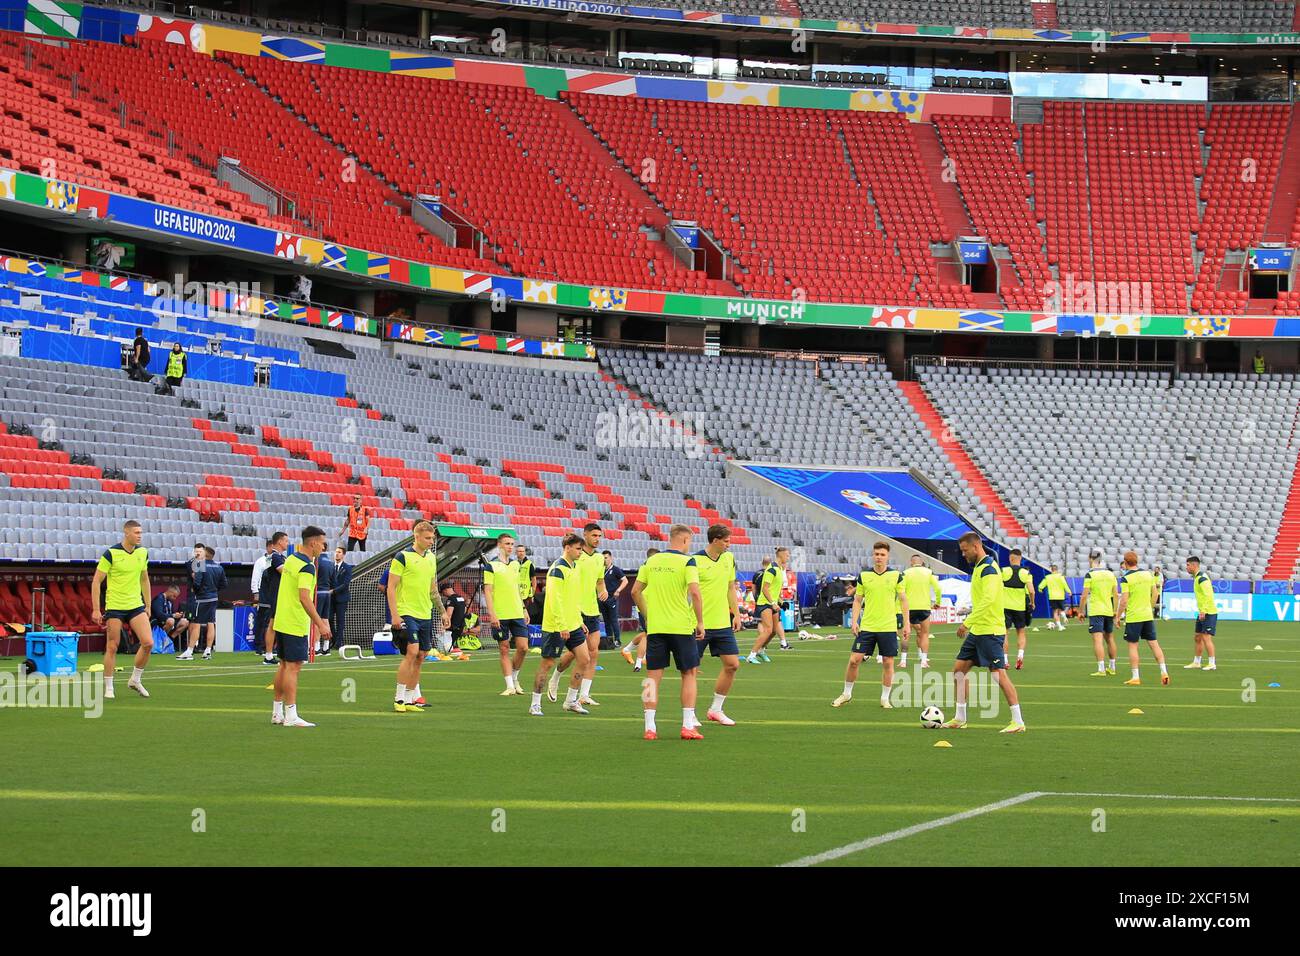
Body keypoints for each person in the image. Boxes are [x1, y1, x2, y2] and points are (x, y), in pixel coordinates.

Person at [943, 532, 1025, 733]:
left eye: (965, 550)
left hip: (989, 631)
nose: (963, 555)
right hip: (979, 631)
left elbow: (988, 600)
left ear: (976, 546)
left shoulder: (989, 568)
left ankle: (1018, 721)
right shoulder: (980, 567)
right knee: (959, 672)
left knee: (998, 675)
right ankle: (960, 718)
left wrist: (967, 622)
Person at [632, 524, 705, 741]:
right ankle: (687, 725)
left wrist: (648, 616)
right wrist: (700, 621)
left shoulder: (651, 561)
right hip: (681, 627)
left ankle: (649, 727)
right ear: (684, 540)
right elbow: (695, 592)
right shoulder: (688, 561)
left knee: (652, 678)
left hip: (656, 628)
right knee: (689, 674)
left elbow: (636, 591)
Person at [834, 541, 908, 709]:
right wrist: (854, 621)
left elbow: (903, 600)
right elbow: (858, 599)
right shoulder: (864, 576)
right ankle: (846, 694)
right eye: (876, 554)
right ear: (872, 555)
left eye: (882, 554)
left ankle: (884, 698)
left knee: (888, 663)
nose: (879, 557)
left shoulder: (897, 575)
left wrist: (907, 624)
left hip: (888, 627)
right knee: (854, 660)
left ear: (888, 556)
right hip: (867, 626)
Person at [271, 526, 331, 727]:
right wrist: (320, 623)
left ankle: (277, 712)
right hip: (295, 621)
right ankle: (291, 714)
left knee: (284, 665)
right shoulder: (307, 566)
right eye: (322, 543)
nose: (324, 547)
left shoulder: (291, 559)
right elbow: (305, 597)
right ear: (313, 543)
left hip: (283, 618)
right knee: (293, 667)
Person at [90, 519, 153, 699]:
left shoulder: (143, 552)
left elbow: (144, 579)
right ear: (126, 533)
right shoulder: (111, 553)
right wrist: (96, 609)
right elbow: (96, 581)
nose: (140, 535)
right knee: (112, 646)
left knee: (148, 643)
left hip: (135, 605)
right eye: (136, 532)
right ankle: (109, 687)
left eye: (141, 532)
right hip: (115, 606)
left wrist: (147, 605)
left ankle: (135, 679)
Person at [386, 520, 443, 713]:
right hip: (407, 612)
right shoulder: (402, 557)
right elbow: (391, 587)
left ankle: (410, 699)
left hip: (425, 612)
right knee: (411, 652)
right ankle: (399, 698)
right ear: (416, 536)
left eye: (432, 538)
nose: (430, 541)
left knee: (421, 656)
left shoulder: (431, 558)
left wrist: (442, 611)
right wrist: (395, 615)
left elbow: (432, 588)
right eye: (427, 538)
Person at [530, 533, 590, 717]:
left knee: (585, 659)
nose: (581, 552)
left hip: (572, 624)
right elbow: (554, 600)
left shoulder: (575, 567)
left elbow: (573, 597)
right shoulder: (557, 569)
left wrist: (579, 621)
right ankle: (535, 704)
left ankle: (571, 701)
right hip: (556, 626)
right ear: (567, 548)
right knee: (547, 663)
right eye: (578, 549)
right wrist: (562, 625)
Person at [548, 523, 607, 706]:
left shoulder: (599, 558)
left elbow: (599, 580)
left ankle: (583, 694)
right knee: (575, 654)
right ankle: (556, 676)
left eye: (599, 536)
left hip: (592, 609)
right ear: (586, 535)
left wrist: (602, 590)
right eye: (594, 535)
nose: (597, 539)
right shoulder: (576, 556)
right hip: (576, 609)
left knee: (593, 652)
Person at [694, 524, 742, 726]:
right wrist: (696, 620)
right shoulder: (695, 560)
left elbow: (731, 587)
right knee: (691, 671)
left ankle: (715, 709)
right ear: (715, 540)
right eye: (726, 541)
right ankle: (690, 714)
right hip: (698, 624)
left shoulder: (728, 559)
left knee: (732, 664)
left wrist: (736, 613)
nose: (729, 545)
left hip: (722, 622)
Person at [483, 533, 529, 696]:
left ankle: (515, 678)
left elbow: (516, 588)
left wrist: (524, 608)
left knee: (523, 648)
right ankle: (509, 685)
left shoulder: (516, 565)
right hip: (500, 613)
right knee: (504, 648)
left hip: (516, 611)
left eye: (512, 544)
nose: (510, 546)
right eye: (507, 543)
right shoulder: (491, 566)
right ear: (499, 545)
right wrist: (492, 614)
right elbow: (487, 591)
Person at [1117, 550, 1170, 687]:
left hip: (1134, 616)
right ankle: (1164, 672)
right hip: (1147, 615)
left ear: (1125, 562)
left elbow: (1124, 600)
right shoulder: (1148, 574)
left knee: (1133, 646)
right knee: (1154, 643)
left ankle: (1135, 676)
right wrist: (1150, 607)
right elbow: (1155, 593)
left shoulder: (1126, 578)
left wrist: (1117, 616)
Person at [179, 545, 226, 661]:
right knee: (211, 623)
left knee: (196, 623)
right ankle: (208, 650)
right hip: (213, 598)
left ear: (206, 554)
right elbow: (224, 584)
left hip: (201, 598)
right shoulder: (219, 567)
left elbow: (196, 582)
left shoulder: (200, 565)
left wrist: (196, 591)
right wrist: (214, 590)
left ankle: (189, 651)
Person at [746, 547, 789, 663]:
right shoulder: (772, 569)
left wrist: (781, 602)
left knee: (774, 631)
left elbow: (774, 590)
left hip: (772, 603)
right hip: (765, 603)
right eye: (787, 555)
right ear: (780, 555)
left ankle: (761, 650)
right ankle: (751, 655)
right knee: (768, 630)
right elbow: (765, 589)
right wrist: (773, 603)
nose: (788, 557)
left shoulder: (779, 569)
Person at [251, 532, 287, 664]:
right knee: (272, 625)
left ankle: (271, 654)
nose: (287, 544)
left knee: (274, 625)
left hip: (278, 595)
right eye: (286, 541)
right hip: (275, 596)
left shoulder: (280, 557)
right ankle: (269, 654)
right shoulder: (276, 557)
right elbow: (286, 573)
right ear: (280, 542)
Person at [1081, 551, 1119, 677]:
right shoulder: (1110, 574)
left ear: (1090, 559)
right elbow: (1115, 594)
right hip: (1108, 609)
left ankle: (1101, 668)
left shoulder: (1090, 574)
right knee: (1110, 638)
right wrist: (1115, 611)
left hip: (1097, 610)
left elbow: (1084, 595)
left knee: (1097, 639)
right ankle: (1112, 667)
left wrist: (1081, 611)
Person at [621, 547, 658, 671]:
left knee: (648, 633)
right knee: (648, 635)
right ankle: (639, 661)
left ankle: (627, 650)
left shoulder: (648, 568)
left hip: (650, 605)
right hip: (645, 606)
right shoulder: (647, 569)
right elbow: (636, 591)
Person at [900, 554, 940, 669]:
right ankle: (923, 661)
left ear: (911, 562)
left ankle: (903, 661)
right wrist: (938, 602)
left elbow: (900, 590)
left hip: (909, 607)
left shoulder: (906, 573)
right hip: (924, 607)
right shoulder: (928, 572)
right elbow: (938, 588)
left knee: (906, 634)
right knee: (924, 634)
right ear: (922, 563)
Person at [1183, 556, 1219, 671]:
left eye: (1188, 565)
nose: (1186, 567)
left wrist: (1203, 610)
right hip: (1202, 612)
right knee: (1197, 637)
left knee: (1206, 637)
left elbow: (1208, 594)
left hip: (1208, 612)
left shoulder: (1202, 578)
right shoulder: (1197, 577)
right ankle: (1197, 662)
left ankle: (1212, 663)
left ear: (1194, 565)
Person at [1000, 548, 1032, 670]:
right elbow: (1032, 591)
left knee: (1005, 633)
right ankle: (1020, 657)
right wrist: (1032, 603)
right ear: (1020, 559)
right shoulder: (1026, 573)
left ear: (1010, 558)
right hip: (1020, 607)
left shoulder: (1003, 571)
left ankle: (1005, 660)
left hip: (1005, 606)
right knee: (1021, 632)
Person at [601, 550, 626, 648]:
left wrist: (618, 590)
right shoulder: (601, 570)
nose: (604, 560)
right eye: (603, 558)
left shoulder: (615, 569)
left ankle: (618, 640)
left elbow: (625, 581)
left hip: (612, 599)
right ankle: (609, 640)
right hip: (603, 599)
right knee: (606, 621)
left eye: (606, 558)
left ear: (611, 558)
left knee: (613, 620)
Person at [329, 546, 352, 654]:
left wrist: (334, 591)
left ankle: (338, 642)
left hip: (341, 598)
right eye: (336, 552)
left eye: (339, 552)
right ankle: (333, 640)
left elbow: (345, 584)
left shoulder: (347, 567)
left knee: (340, 620)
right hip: (331, 598)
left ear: (343, 555)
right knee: (329, 619)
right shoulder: (330, 566)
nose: (337, 554)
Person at [313, 546, 335, 657]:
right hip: (327, 592)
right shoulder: (331, 563)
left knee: (316, 620)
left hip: (318, 592)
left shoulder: (316, 560)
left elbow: (313, 577)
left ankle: (316, 647)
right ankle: (326, 647)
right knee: (325, 619)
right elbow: (333, 580)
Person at [1037, 565, 1071, 631]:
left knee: (1055, 612)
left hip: (1052, 597)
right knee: (1061, 610)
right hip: (1060, 596)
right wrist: (1069, 591)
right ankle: (1064, 616)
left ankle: (1060, 627)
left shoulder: (1047, 577)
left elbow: (1041, 585)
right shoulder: (1061, 577)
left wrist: (1040, 589)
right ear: (1057, 570)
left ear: (1051, 570)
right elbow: (1065, 584)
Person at [440, 582, 467, 649]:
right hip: (460, 626)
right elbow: (465, 611)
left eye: (443, 593)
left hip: (452, 627)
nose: (443, 595)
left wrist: (444, 626)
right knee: (451, 646)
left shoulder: (451, 599)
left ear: (445, 590)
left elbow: (449, 614)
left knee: (446, 648)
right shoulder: (461, 598)